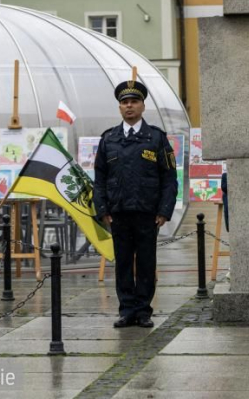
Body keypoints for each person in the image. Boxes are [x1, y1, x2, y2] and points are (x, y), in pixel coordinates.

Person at [93, 80, 178, 328]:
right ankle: (126, 309)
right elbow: (99, 178)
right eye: (124, 102)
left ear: (143, 105)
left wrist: (164, 210)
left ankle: (143, 311)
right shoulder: (109, 139)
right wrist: (103, 210)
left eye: (134, 101)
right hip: (118, 213)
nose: (129, 106)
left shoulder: (156, 138)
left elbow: (169, 177)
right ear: (119, 107)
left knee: (145, 263)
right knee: (122, 263)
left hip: (147, 213)